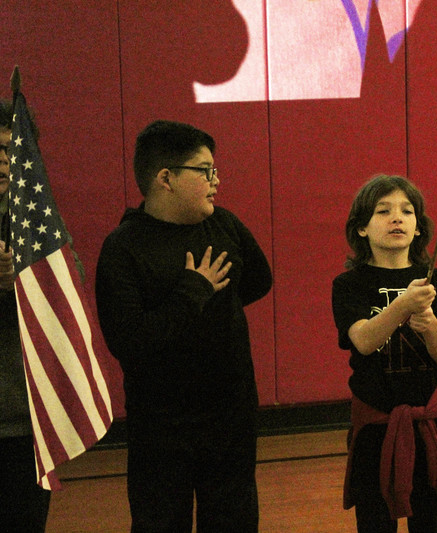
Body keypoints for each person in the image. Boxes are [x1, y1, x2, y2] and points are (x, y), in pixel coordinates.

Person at [95, 120, 272, 532]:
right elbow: (129, 340)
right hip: (162, 425)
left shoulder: (224, 225)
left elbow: (259, 281)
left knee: (234, 520)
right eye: (205, 170)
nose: (217, 180)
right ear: (165, 178)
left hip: (230, 416)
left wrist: (211, 306)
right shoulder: (123, 247)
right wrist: (193, 293)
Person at [332, 174, 437, 533]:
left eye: (406, 211)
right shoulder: (349, 285)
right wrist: (403, 304)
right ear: (361, 229)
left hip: (430, 420)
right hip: (375, 421)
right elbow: (364, 340)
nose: (397, 218)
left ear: (419, 228)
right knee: (374, 519)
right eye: (383, 211)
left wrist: (429, 322)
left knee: (432, 519)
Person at [0, 98, 51, 532]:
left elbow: (66, 290)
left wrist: (20, 278)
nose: (3, 163)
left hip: (21, 420)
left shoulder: (36, 222)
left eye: (10, 151)